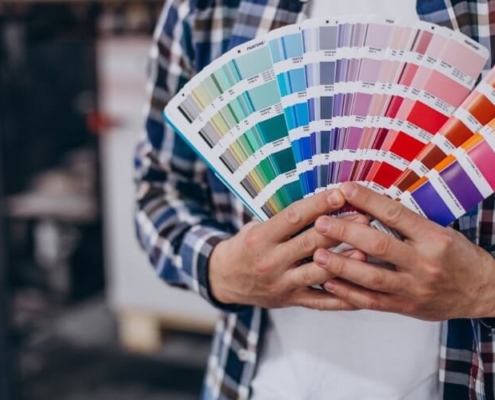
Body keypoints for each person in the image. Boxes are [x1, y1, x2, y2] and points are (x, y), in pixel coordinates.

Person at [134, 0, 495, 399]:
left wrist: (483, 289)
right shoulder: (206, 8)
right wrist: (220, 269)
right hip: (254, 385)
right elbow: (158, 188)